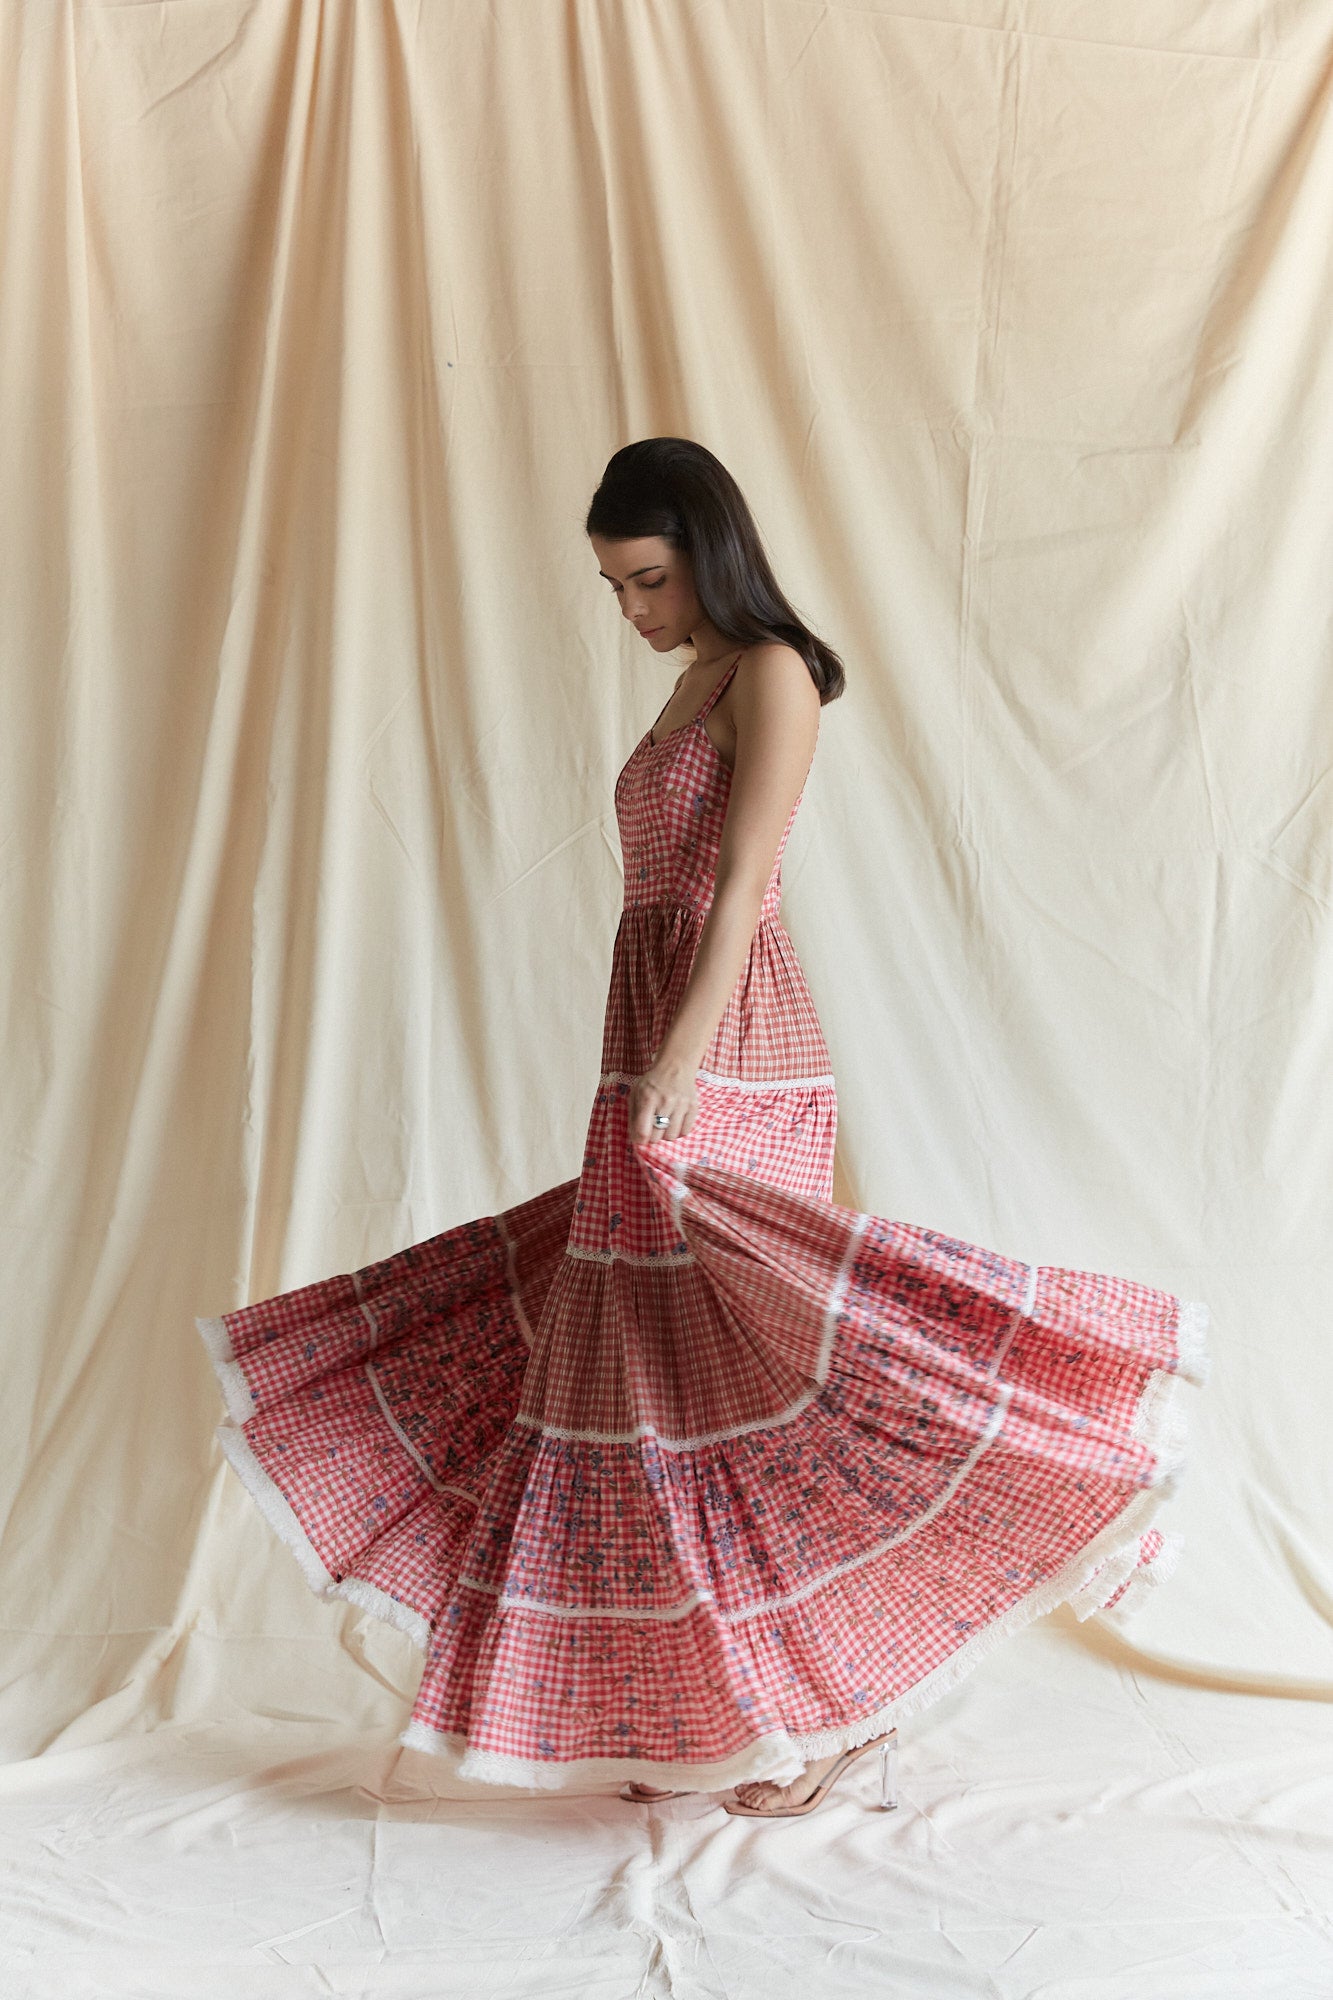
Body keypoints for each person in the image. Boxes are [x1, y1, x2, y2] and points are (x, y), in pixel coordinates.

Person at [196, 437, 1209, 1819]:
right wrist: (641, 1060)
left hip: (728, 1044)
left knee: (764, 1366)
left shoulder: (771, 672)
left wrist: (676, 1062)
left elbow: (740, 885)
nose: (633, 613)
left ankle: (855, 1701)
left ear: (707, 554)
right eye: (614, 588)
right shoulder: (687, 687)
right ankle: (706, 1713)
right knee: (644, 1390)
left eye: (649, 580)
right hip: (651, 1039)